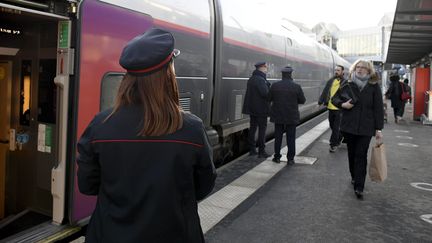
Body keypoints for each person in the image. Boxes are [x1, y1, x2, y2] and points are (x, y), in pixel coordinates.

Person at [77, 28, 217, 243]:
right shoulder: (191, 129)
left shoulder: (100, 126)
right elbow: (204, 185)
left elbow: (87, 185)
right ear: (169, 72)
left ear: (127, 78)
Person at [331, 59, 384, 200]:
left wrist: (378, 129)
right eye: (358, 67)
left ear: (369, 71)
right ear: (354, 69)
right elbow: (334, 99)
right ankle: (354, 176)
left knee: (361, 155)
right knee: (352, 154)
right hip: (349, 126)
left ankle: (359, 186)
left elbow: (378, 108)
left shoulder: (373, 86)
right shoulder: (347, 83)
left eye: (363, 68)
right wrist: (343, 105)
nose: (360, 70)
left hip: (366, 128)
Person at [269, 66, 306, 165]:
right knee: (291, 138)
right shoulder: (296, 86)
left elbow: (269, 98)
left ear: (282, 75)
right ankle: (290, 159)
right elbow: (302, 100)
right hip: (291, 116)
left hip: (278, 116)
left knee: (278, 137)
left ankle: (277, 157)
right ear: (291, 74)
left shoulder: (275, 85)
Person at [242, 61, 271, 158]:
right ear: (262, 68)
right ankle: (261, 151)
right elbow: (265, 94)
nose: (267, 69)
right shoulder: (260, 80)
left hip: (252, 109)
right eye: (266, 67)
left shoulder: (252, 79)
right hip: (261, 109)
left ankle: (252, 150)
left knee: (253, 128)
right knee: (262, 130)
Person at [318, 65, 346, 152]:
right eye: (336, 70)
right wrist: (320, 102)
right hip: (330, 107)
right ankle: (340, 137)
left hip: (339, 108)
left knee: (336, 127)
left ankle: (333, 144)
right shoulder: (331, 81)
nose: (336, 72)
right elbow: (325, 91)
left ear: (342, 72)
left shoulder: (345, 82)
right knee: (332, 125)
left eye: (338, 70)